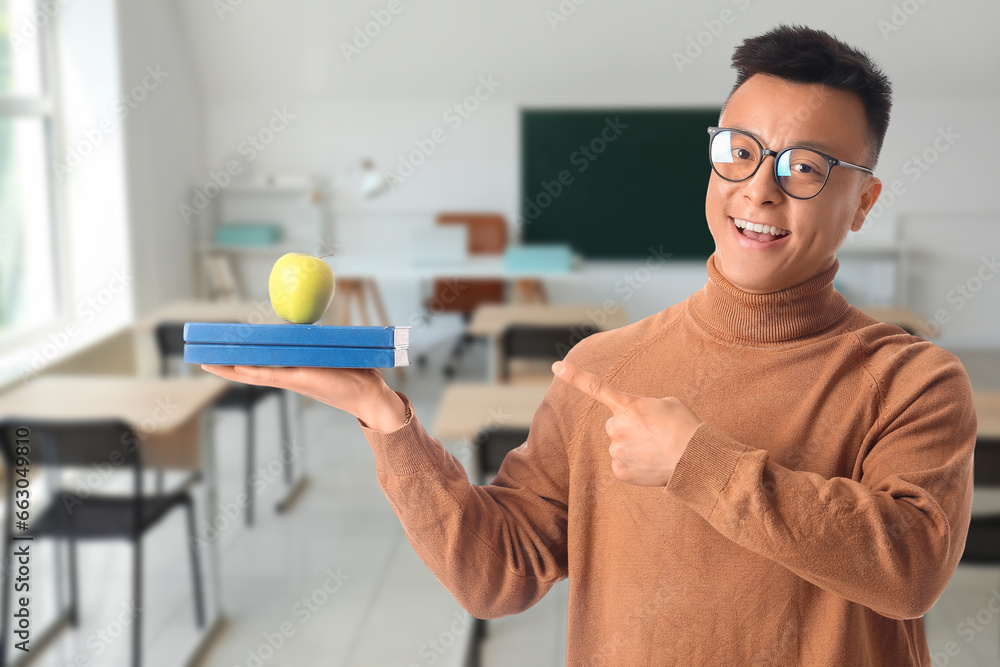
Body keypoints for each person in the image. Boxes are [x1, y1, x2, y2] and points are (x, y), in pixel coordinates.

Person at [202, 24, 977, 665]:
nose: (760, 188)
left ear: (863, 202)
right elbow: (495, 575)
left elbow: (909, 567)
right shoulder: (605, 369)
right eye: (739, 150)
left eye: (805, 167)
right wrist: (385, 418)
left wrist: (697, 464)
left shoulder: (912, 380)